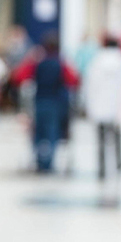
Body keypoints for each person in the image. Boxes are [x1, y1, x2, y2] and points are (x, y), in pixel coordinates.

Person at [12, 33, 78, 172]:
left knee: (38, 133)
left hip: (40, 102)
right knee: (52, 133)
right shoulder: (61, 64)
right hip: (56, 103)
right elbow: (74, 81)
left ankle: (40, 161)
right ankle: (49, 162)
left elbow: (19, 77)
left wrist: (30, 59)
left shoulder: (37, 63)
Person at [85, 36, 121, 179]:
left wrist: (89, 105)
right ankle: (119, 165)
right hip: (117, 106)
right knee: (118, 137)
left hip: (100, 105)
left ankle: (102, 168)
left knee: (101, 139)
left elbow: (90, 85)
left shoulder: (96, 62)